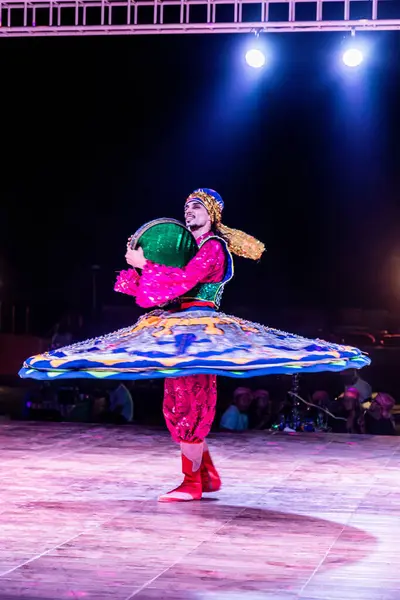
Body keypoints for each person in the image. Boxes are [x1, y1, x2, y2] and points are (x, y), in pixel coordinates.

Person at [19, 188, 371, 502]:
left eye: (196, 207)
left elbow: (185, 280)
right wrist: (139, 272)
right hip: (179, 327)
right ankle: (204, 474)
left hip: (201, 329)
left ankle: (192, 481)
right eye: (186, 207)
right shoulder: (192, 248)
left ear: (212, 214)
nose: (189, 212)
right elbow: (171, 284)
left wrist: (147, 266)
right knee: (177, 402)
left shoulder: (214, 248)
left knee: (187, 402)